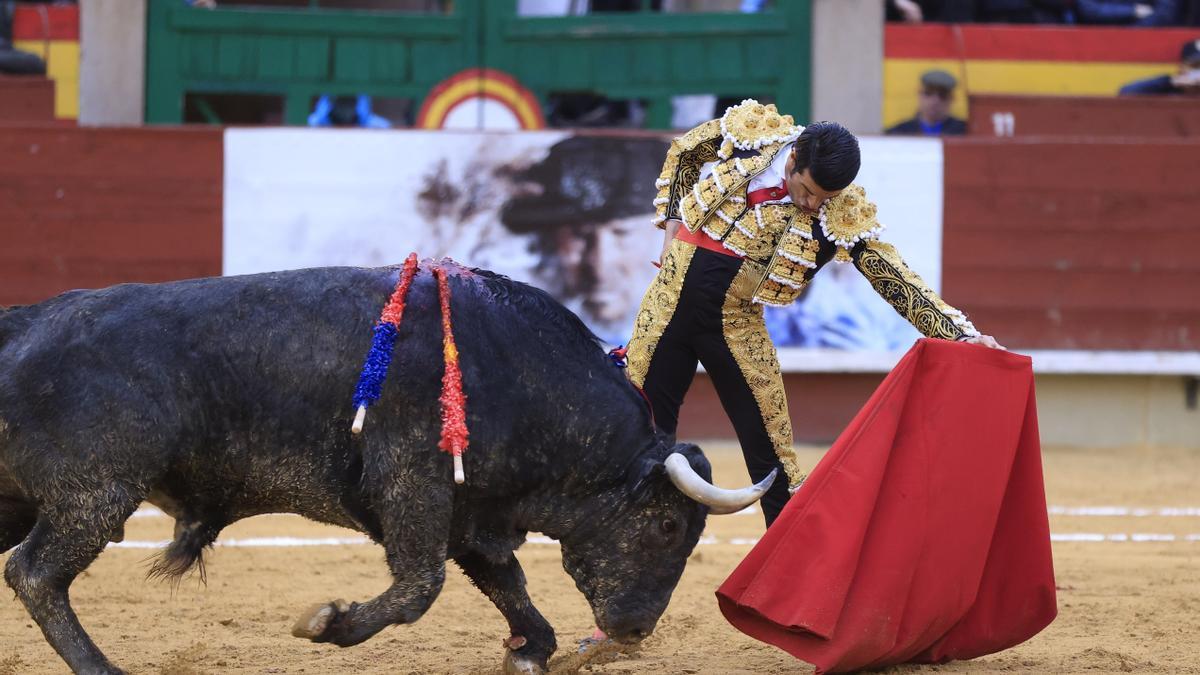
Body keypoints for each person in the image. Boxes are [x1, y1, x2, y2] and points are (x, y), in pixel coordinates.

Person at [885, 69, 967, 136]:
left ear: (951, 99)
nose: (935, 101)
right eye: (928, 93)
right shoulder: (898, 133)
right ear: (919, 94)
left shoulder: (965, 132)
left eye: (942, 95)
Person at [1119, 38, 1200, 95]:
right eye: (1196, 66)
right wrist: (1171, 81)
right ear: (1181, 68)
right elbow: (1126, 92)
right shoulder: (1167, 90)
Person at [1076, 0, 1181, 25]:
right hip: (1095, 40)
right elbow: (1089, 11)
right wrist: (1132, 11)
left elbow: (1165, 14)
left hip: (1145, 40)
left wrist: (1133, 33)